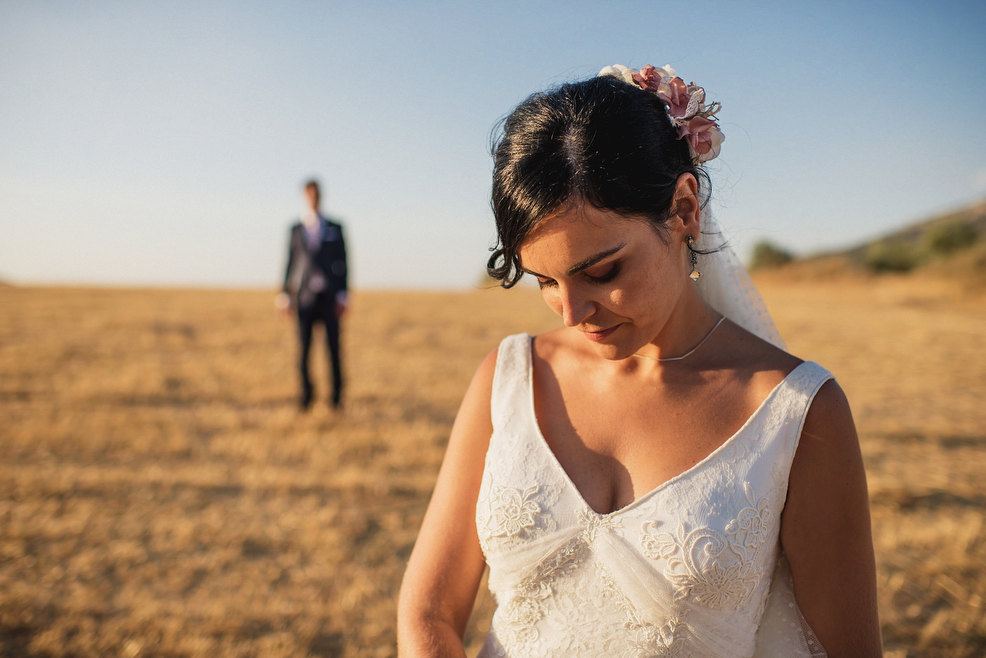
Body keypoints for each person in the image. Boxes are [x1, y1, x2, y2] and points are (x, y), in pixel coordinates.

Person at [398, 64, 881, 656]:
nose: (572, 313)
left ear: (683, 210)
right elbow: (428, 612)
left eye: (601, 272)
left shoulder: (798, 412)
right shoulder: (509, 378)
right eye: (545, 280)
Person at [277, 179, 348, 410]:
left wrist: (343, 295)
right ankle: (306, 397)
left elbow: (344, 262)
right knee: (304, 351)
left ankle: (336, 399)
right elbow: (290, 262)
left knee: (333, 351)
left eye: (316, 193)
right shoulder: (296, 229)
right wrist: (285, 294)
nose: (313, 197)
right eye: (310, 194)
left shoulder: (335, 227)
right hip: (305, 298)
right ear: (304, 196)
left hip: (329, 298)